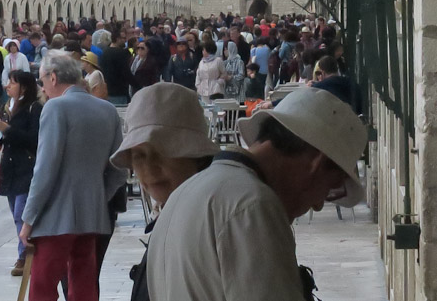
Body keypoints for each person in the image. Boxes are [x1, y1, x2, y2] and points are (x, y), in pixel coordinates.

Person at [146, 88, 367, 301]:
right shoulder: (252, 204)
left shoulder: (183, 193)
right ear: (316, 163)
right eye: (330, 189)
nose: (318, 205)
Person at [19, 51, 126, 301]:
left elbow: (46, 168)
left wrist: (29, 217)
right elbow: (120, 168)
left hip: (55, 216)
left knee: (43, 286)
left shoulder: (56, 107)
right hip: (92, 214)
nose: (42, 87)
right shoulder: (108, 110)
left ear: (53, 77)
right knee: (85, 284)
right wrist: (98, 195)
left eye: (42, 81)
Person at [108, 82, 219, 301]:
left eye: (162, 151)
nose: (149, 168)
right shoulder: (170, 214)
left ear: (196, 156)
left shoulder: (215, 221)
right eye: (139, 155)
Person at [0, 71, 41, 276]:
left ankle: (24, 255)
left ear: (24, 87)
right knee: (16, 214)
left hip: (26, 167)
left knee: (22, 213)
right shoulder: (7, 108)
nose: (8, 86)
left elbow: (34, 138)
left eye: (13, 83)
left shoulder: (34, 108)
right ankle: (27, 251)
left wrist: (7, 129)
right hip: (10, 167)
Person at [100, 30, 133, 105]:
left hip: (107, 90)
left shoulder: (105, 52)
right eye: (123, 38)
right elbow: (126, 73)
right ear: (118, 39)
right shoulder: (121, 53)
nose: (125, 40)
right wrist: (137, 85)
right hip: (119, 91)